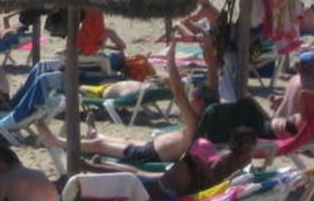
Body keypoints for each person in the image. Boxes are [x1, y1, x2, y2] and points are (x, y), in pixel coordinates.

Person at [36, 57, 206, 166]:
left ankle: (57, 141)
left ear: (200, 103)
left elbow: (179, 93)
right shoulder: (199, 121)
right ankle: (95, 134)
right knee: (125, 139)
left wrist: (171, 60)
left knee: (100, 146)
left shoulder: (194, 123)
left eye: (193, 97)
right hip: (151, 147)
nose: (189, 99)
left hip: (150, 156)